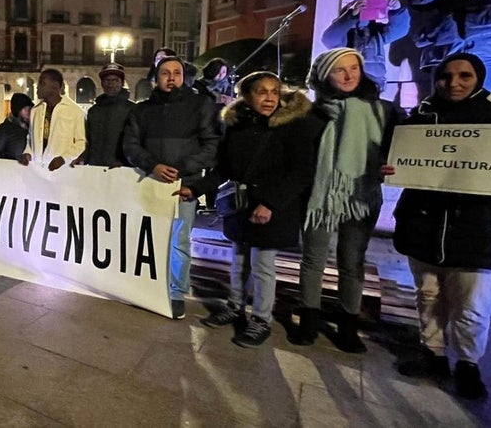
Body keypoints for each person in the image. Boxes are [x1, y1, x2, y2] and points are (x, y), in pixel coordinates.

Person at [385, 52, 491, 399]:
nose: (454, 83)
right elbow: (400, 159)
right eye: (446, 76)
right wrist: (393, 166)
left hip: (479, 231)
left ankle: (469, 364)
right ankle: (433, 354)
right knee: (428, 297)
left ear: (479, 79)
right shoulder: (421, 117)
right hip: (424, 227)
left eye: (464, 76)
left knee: (472, 306)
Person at [175, 71, 324, 346]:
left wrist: (271, 204)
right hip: (241, 204)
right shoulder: (236, 125)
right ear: (246, 96)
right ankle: (234, 306)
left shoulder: (294, 126)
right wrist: (195, 189)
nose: (269, 97)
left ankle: (261, 320)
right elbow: (224, 168)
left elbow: (301, 172)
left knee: (263, 265)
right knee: (239, 259)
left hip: (272, 207)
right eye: (262, 91)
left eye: (274, 91)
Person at [288, 47, 398, 352]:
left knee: (352, 262)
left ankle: (348, 326)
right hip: (319, 197)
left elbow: (396, 149)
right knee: (313, 260)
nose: (349, 75)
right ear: (325, 75)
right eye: (340, 69)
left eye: (354, 68)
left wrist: (389, 164)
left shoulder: (382, 110)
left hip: (360, 197)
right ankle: (309, 320)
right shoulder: (310, 113)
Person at [122, 55, 220, 319]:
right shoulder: (141, 110)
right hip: (150, 183)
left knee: (178, 242)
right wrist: (152, 165)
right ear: (156, 78)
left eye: (176, 73)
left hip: (183, 185)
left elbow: (212, 145)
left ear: (183, 77)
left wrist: (184, 168)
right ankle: (149, 286)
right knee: (147, 239)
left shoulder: (200, 105)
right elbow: (130, 146)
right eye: (165, 73)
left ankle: (176, 293)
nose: (171, 78)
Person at [321, 0, 410, 91]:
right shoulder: (343, 35)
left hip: (374, 86)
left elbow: (400, 30)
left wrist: (397, 10)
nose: (362, 8)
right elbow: (329, 39)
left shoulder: (375, 32)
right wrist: (351, 15)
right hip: (353, 88)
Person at [19, 68, 86, 171]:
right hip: (37, 173)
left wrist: (64, 159)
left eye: (42, 83)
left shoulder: (75, 112)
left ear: (54, 86)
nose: (37, 87)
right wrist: (27, 153)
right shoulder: (35, 111)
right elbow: (30, 140)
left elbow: (81, 143)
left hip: (63, 173)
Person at [80, 63, 135, 167]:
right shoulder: (93, 111)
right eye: (107, 80)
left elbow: (137, 143)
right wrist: (83, 158)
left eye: (115, 80)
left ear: (122, 83)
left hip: (122, 170)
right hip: (95, 169)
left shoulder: (133, 110)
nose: (111, 84)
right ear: (101, 83)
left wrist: (124, 162)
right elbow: (88, 142)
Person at [0, 93, 34, 161]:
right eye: (25, 109)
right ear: (17, 111)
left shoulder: (32, 128)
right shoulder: (6, 129)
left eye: (30, 109)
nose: (28, 113)